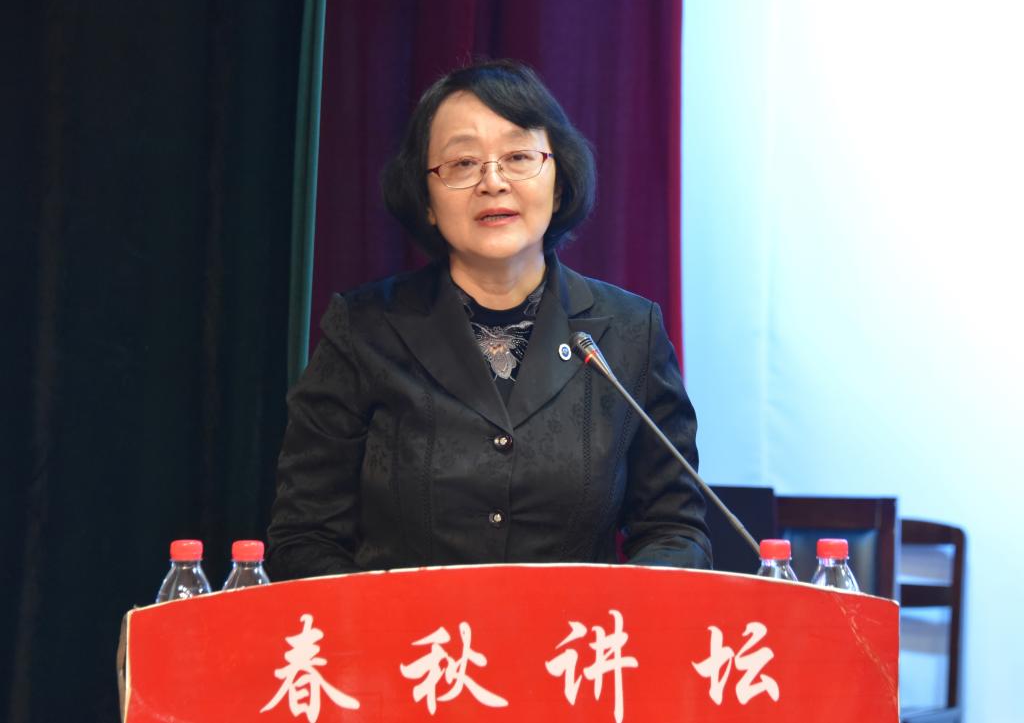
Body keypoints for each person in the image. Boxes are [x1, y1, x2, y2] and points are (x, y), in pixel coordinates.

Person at [266, 60, 711, 580]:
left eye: (518, 157)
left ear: (559, 184)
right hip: (409, 634)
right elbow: (304, 536)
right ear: (427, 202)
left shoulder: (631, 332)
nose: (493, 182)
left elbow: (674, 530)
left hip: (574, 632)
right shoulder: (365, 330)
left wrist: (617, 611)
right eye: (462, 163)